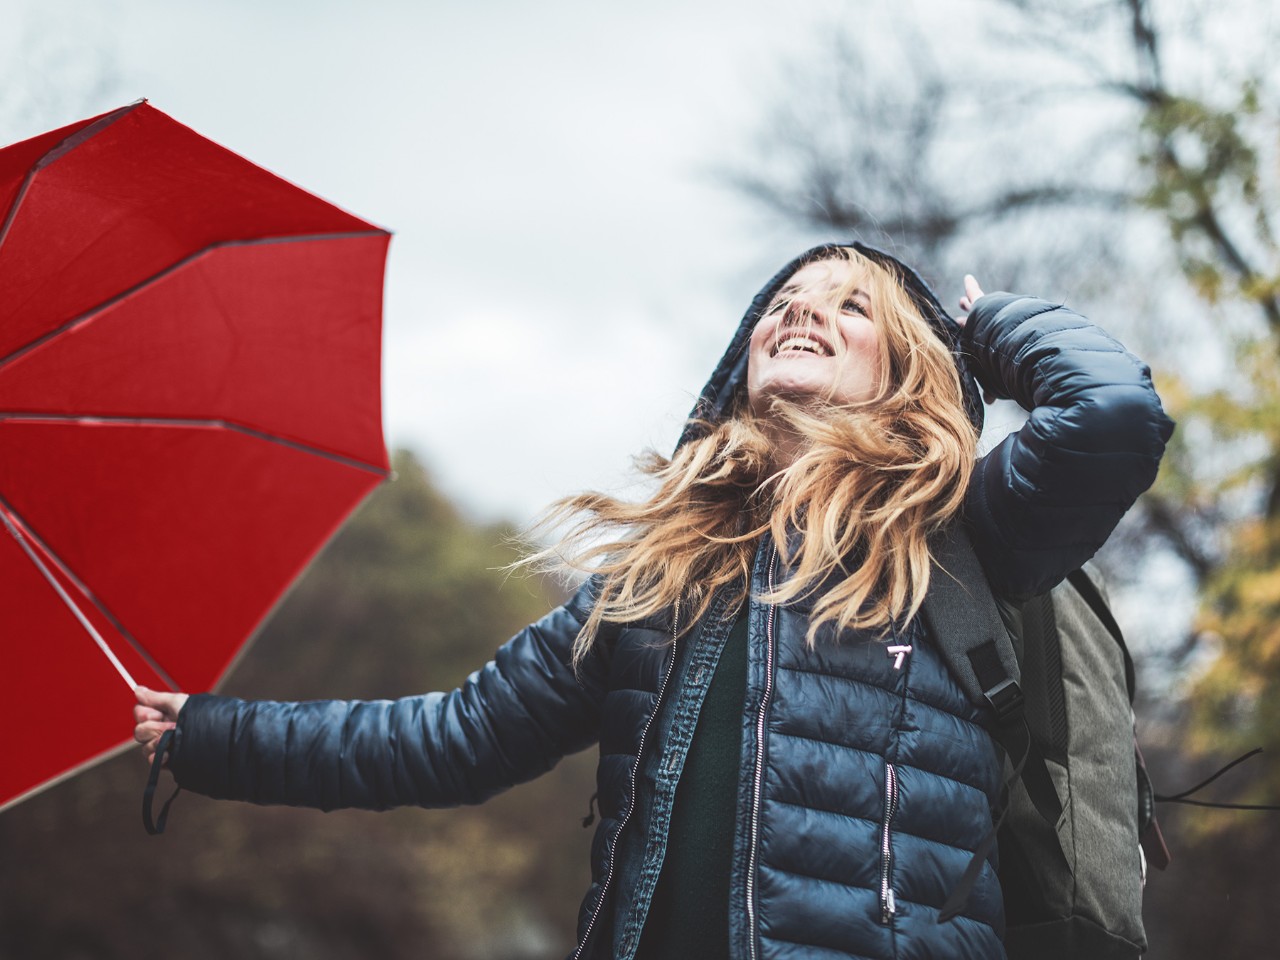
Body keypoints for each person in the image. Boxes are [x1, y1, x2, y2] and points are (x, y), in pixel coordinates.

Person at [134, 242, 1174, 960]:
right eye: (784, 300)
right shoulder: (658, 580)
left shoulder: (960, 536)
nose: (799, 309)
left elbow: (1115, 412)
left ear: (911, 372)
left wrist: (984, 328)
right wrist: (213, 736)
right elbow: (454, 738)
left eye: (851, 305)